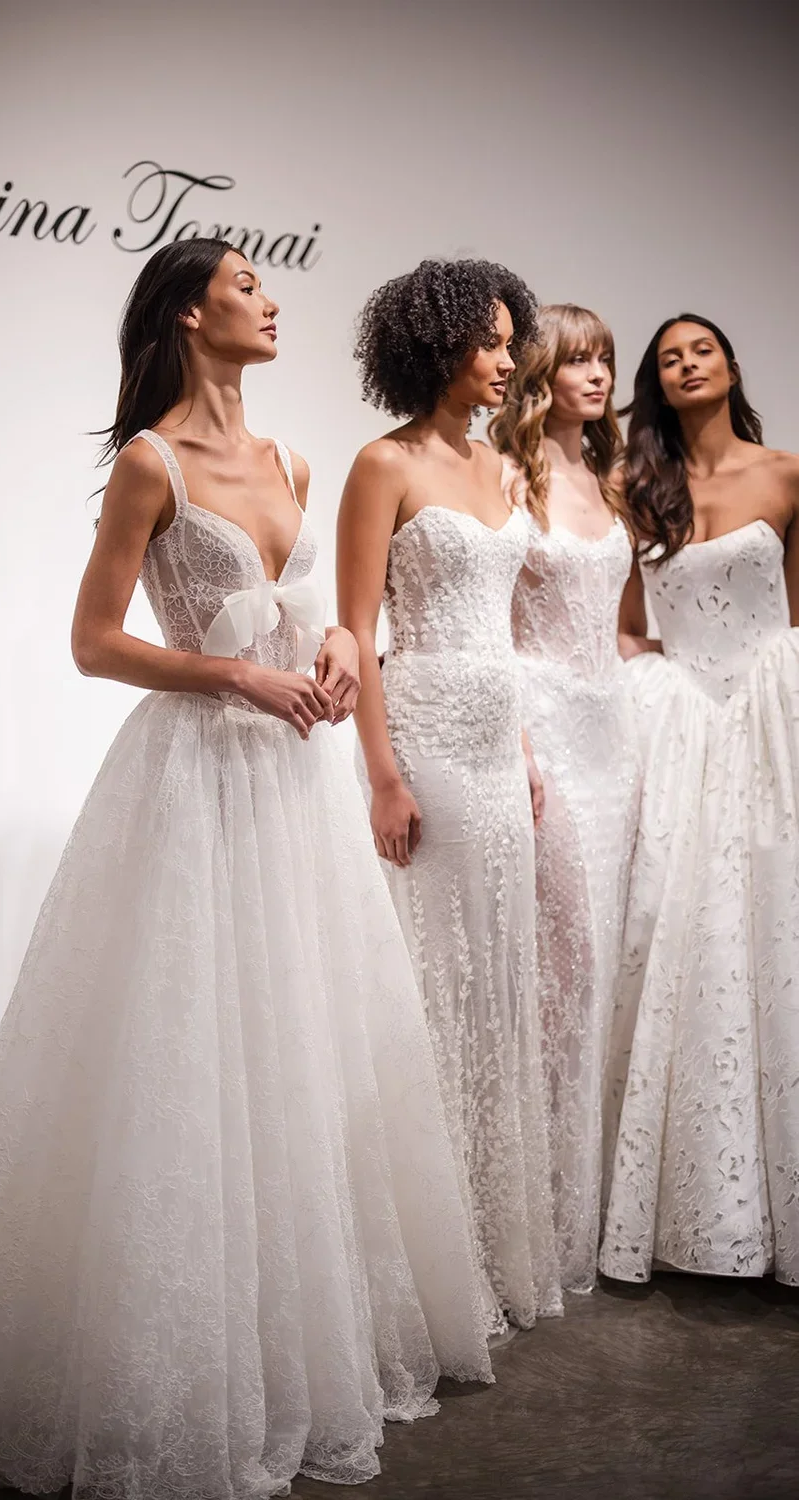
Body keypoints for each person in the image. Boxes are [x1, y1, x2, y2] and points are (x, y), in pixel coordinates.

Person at [0, 239, 497, 1500]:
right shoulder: (149, 462)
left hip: (292, 792)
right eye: (247, 285)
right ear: (191, 310)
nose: (272, 299)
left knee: (300, 1052)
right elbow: (90, 641)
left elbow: (329, 608)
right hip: (194, 783)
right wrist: (230, 670)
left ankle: (290, 1342)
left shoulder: (290, 459)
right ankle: (170, 1355)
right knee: (188, 1059)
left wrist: (337, 646)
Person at [336, 258, 563, 1329]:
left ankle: (480, 1238)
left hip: (491, 741)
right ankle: (413, 1267)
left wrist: (520, 746)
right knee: (435, 986)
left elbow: (504, 629)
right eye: (491, 342)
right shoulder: (380, 466)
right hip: (421, 738)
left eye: (511, 341)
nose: (510, 359)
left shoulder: (501, 470)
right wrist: (381, 777)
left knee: (494, 988)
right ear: (436, 348)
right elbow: (357, 635)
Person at [599, 314, 799, 1286]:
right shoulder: (635, 488)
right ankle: (689, 1209)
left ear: (728, 367)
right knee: (674, 938)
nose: (685, 364)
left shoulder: (787, 475)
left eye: (701, 351)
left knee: (771, 935)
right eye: (668, 357)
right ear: (656, 380)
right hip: (674, 727)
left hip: (771, 722)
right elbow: (629, 624)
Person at [489, 304, 639, 1293]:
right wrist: (517, 735)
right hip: (542, 723)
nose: (595, 375)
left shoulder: (613, 478)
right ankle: (526, 1221)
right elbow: (484, 618)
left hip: (616, 729)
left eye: (605, 360)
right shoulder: (508, 477)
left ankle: (583, 1210)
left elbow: (619, 617)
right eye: (577, 359)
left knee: (605, 963)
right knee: (560, 964)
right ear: (544, 370)